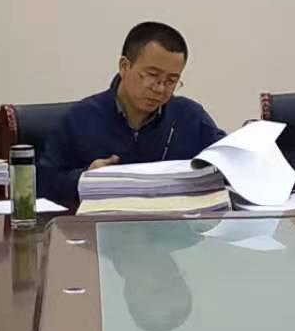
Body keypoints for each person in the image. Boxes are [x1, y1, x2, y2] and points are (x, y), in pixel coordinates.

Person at [40, 22, 225, 206]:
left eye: (171, 81)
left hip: (173, 221)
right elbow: (44, 183)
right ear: (124, 66)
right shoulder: (80, 118)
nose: (160, 89)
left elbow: (227, 163)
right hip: (102, 222)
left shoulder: (189, 116)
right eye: (152, 75)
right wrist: (83, 178)